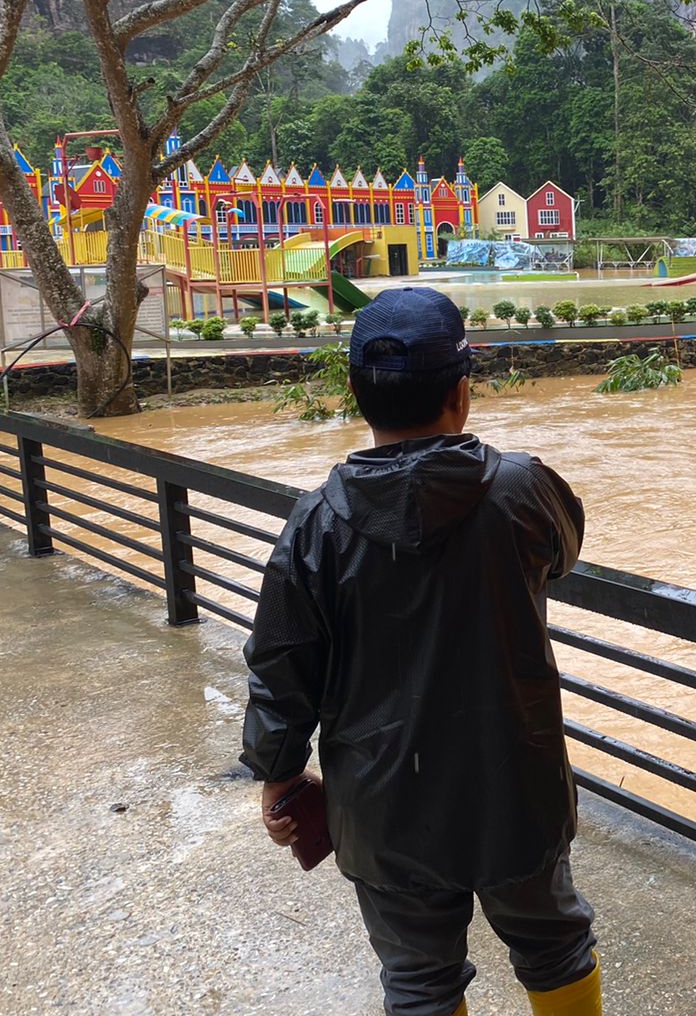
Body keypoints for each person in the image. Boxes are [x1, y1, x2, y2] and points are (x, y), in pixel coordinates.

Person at [240, 287, 600, 1016]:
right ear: (462, 393)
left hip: (381, 799)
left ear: (355, 394)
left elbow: (281, 666)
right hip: (514, 783)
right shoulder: (522, 488)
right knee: (554, 944)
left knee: (418, 979)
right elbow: (562, 554)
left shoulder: (316, 521)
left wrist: (277, 776)